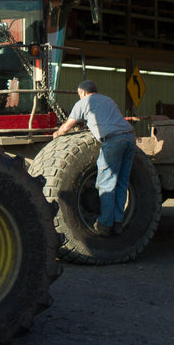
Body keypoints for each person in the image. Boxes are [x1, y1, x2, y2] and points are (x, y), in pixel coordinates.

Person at [52, 80, 136, 236]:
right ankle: (118, 223)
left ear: (83, 92)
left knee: (107, 184)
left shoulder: (84, 102)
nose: (79, 97)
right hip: (130, 138)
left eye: (79, 95)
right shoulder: (107, 99)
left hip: (113, 141)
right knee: (121, 183)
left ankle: (104, 224)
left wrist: (57, 134)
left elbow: (67, 126)